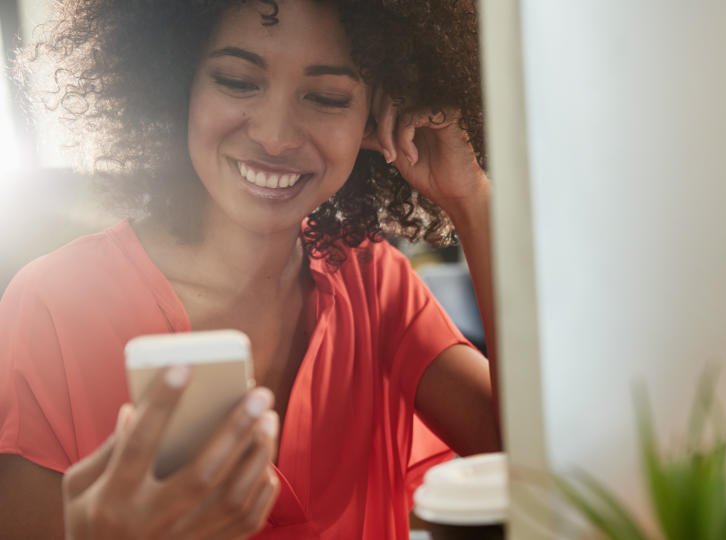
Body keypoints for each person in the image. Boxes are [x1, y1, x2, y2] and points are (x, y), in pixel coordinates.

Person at [0, 0, 500, 538]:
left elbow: (539, 451)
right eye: (237, 81)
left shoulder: (374, 282)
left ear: (376, 117)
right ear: (178, 82)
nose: (275, 135)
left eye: (326, 97)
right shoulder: (50, 308)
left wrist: (473, 202)